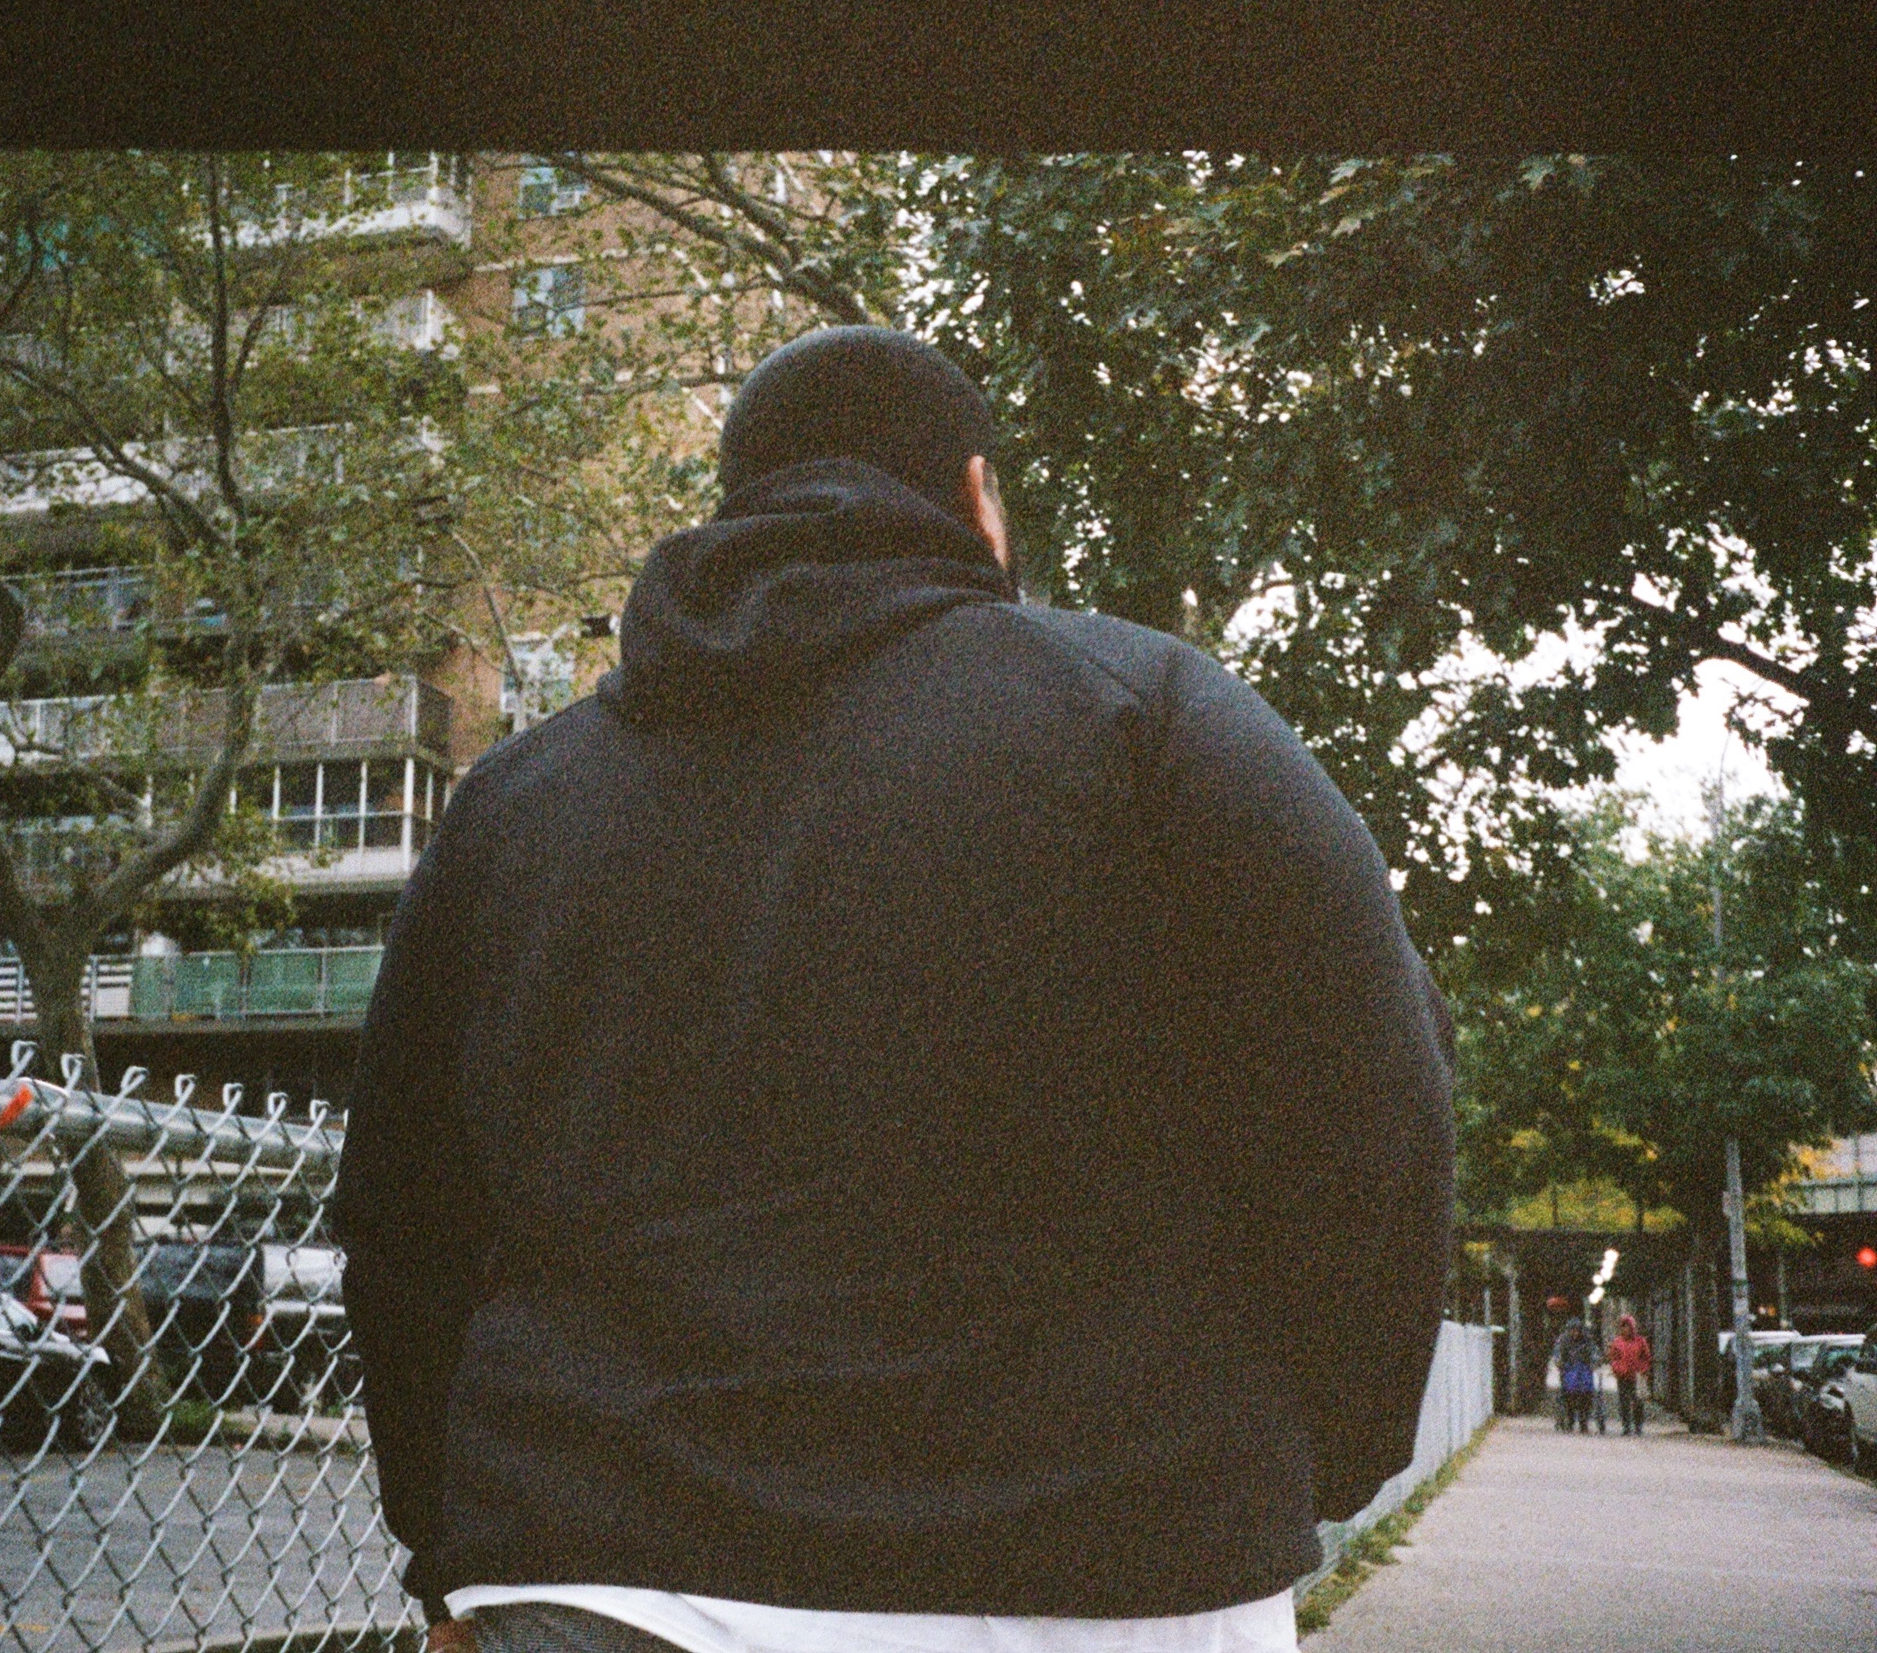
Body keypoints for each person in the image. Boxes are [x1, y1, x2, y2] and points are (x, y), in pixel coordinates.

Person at [335, 325, 1458, 1653]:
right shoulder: (1151, 712)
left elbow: (404, 1217)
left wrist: (448, 1548)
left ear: (740, 505)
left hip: (611, 1577)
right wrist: (1322, 1450)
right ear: (977, 496)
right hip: (1117, 1572)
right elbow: (1369, 1099)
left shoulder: (517, 802)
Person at [1608, 1316, 1651, 1434]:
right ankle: (1626, 1426)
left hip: (1636, 1376)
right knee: (1624, 1402)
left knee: (1638, 1401)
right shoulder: (1617, 1342)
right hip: (1622, 1376)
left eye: (1628, 1327)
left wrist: (1643, 1369)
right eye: (1623, 1327)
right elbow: (1613, 1358)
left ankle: (1638, 1426)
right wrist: (1617, 1368)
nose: (1626, 1329)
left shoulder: (1640, 1341)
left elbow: (1646, 1357)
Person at [1553, 1318, 1598, 1433]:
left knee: (1586, 1393)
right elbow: (1557, 1353)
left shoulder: (1587, 1340)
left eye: (1577, 1330)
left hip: (1584, 1369)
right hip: (1569, 1369)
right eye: (1573, 1330)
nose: (1575, 1333)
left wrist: (1594, 1361)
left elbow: (1594, 1352)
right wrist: (1559, 1362)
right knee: (1569, 1393)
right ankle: (1570, 1419)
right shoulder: (1563, 1340)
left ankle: (1583, 1421)